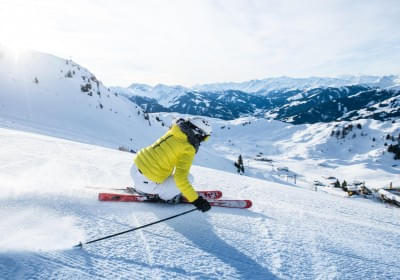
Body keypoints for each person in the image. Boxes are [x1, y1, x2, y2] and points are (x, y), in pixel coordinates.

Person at [131, 117, 212, 212]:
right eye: (204, 138)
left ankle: (143, 188)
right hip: (147, 182)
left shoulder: (174, 130)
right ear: (199, 134)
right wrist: (196, 200)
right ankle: (167, 197)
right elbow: (180, 178)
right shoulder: (188, 148)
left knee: (163, 170)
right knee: (189, 178)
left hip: (135, 168)